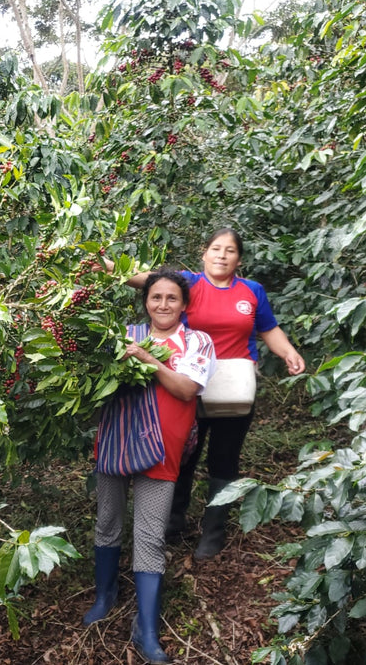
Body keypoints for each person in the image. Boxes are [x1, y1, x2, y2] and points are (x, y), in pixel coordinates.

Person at [124, 228, 305, 560]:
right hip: (185, 382)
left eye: (230, 250)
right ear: (204, 253)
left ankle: (213, 530)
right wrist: (104, 266)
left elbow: (268, 328)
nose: (222, 255)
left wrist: (288, 352)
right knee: (183, 453)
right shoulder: (188, 283)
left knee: (224, 458)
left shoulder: (251, 291)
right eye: (216, 249)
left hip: (233, 387)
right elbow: (146, 280)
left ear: (239, 258)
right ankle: (173, 521)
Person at [83, 270, 215, 664]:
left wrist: (144, 359)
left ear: (184, 305)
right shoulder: (124, 334)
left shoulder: (197, 342)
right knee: (107, 519)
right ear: (145, 302)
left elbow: (186, 389)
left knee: (150, 535)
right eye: (155, 297)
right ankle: (104, 594)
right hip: (116, 442)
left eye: (171, 298)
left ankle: (147, 628)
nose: (162, 305)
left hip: (162, 451)